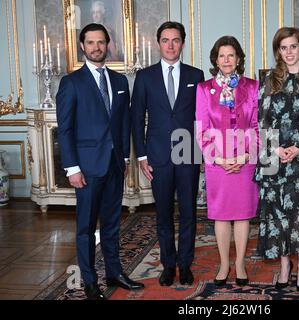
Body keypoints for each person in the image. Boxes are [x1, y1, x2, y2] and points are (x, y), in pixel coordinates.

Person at [56, 23, 144, 300]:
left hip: (115, 165)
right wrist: (72, 168)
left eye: (101, 42)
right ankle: (90, 281)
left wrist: (126, 158)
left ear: (108, 44)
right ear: (82, 46)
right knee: (85, 227)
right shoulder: (71, 83)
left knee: (112, 224)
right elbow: (65, 129)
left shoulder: (119, 82)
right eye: (91, 43)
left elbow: (123, 124)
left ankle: (115, 273)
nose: (96, 47)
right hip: (86, 168)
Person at [131, 21, 204, 287]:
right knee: (162, 214)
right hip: (158, 155)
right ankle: (168, 264)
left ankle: (185, 264)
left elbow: (202, 118)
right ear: (158, 43)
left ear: (182, 43)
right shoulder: (145, 76)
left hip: (188, 153)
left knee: (188, 213)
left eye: (175, 40)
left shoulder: (196, 76)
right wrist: (141, 156)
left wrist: (204, 153)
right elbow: (136, 118)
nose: (170, 45)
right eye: (165, 40)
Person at [254, 27, 299, 293]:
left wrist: (298, 147)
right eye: (283, 48)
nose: (289, 52)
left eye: (293, 46)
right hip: (276, 157)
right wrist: (278, 149)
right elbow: (263, 119)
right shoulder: (270, 80)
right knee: (279, 212)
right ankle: (285, 265)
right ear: (278, 51)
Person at [195, 36, 259, 286]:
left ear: (239, 59)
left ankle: (240, 263)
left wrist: (245, 157)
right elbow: (201, 128)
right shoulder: (204, 89)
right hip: (217, 162)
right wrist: (219, 159)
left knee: (242, 215)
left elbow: (257, 125)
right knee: (221, 215)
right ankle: (224, 264)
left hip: (245, 161)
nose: (226, 60)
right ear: (215, 60)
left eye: (231, 55)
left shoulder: (252, 87)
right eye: (222, 55)